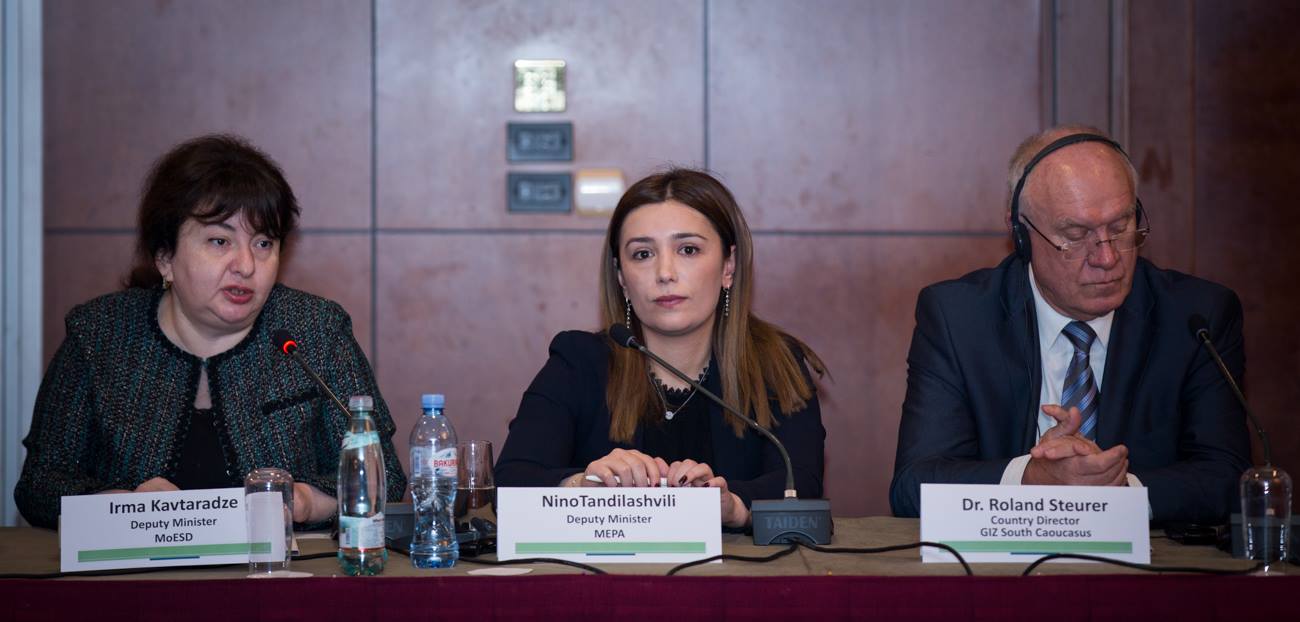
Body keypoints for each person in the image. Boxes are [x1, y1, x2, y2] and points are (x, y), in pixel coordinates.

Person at [15, 134, 406, 529]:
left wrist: (304, 502)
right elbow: (39, 485)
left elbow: (384, 476)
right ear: (165, 257)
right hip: (136, 568)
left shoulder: (315, 330)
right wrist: (124, 506)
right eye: (220, 241)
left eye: (263, 243)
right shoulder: (100, 335)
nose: (246, 265)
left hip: (280, 567)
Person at [889, 126, 1251, 523]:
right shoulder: (958, 318)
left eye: (1120, 227)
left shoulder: (1197, 318)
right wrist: (1031, 479)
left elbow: (1228, 478)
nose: (1107, 258)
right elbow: (914, 485)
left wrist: (1114, 493)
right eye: (1076, 236)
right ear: (1021, 234)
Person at [495, 169, 827, 528]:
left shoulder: (775, 363)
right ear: (622, 278)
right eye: (642, 254)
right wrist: (583, 486)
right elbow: (510, 483)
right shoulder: (579, 362)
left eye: (688, 250)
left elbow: (801, 486)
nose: (665, 273)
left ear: (728, 266)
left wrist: (734, 506)